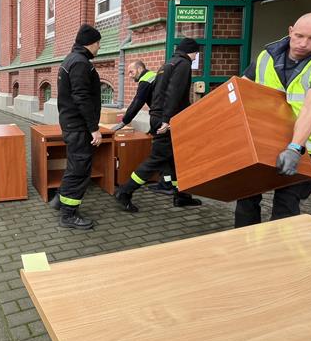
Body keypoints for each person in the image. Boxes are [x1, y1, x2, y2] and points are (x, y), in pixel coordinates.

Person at [234, 12, 311, 227]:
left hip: (303, 144)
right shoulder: (266, 57)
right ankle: (244, 243)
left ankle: (280, 247)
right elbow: (242, 88)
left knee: (286, 203)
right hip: (265, 137)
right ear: (290, 31)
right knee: (247, 195)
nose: (303, 43)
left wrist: (295, 148)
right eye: (299, 36)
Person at [114, 38, 203, 212]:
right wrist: (167, 119)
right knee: (156, 159)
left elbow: (160, 94)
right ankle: (125, 192)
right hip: (167, 120)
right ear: (191, 52)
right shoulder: (183, 64)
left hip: (159, 117)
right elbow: (174, 93)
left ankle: (182, 196)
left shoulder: (168, 64)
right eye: (196, 54)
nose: (195, 57)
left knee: (175, 158)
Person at [52, 24, 103, 229]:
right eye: (98, 43)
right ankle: (69, 215)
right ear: (91, 43)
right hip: (79, 126)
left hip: (72, 123)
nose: (99, 47)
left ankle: (59, 199)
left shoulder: (70, 59)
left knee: (75, 166)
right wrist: (93, 128)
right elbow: (81, 97)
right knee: (80, 170)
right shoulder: (81, 63)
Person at [111, 61, 174, 196]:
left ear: (140, 69)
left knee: (157, 155)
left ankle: (127, 190)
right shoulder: (153, 76)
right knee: (166, 154)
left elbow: (137, 103)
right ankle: (167, 183)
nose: (129, 75)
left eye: (131, 72)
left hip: (161, 121)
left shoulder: (145, 80)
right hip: (166, 119)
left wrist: (123, 122)